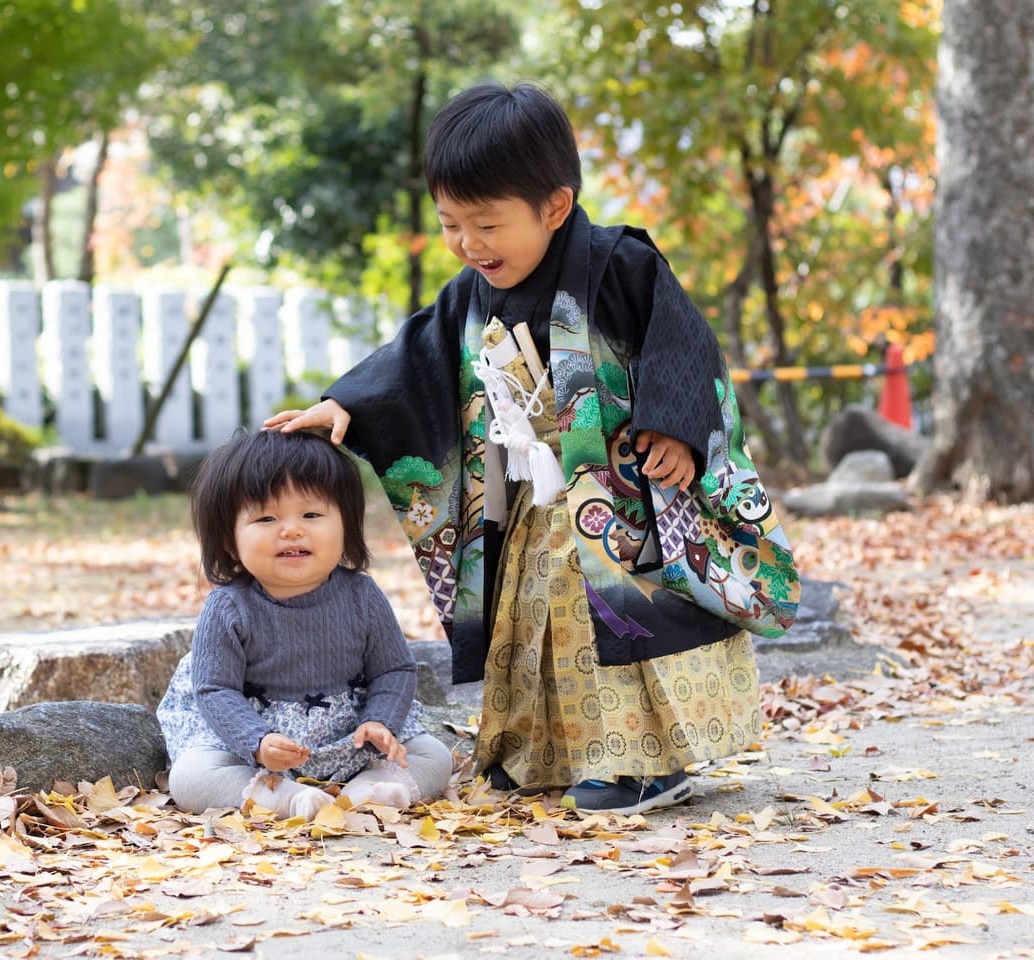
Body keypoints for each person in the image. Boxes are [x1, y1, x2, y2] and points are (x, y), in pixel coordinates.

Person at [266, 80, 800, 816]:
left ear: (555, 206)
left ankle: (643, 762)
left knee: (604, 615)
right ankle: (541, 752)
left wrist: (676, 430)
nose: (468, 244)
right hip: (525, 493)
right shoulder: (468, 293)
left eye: (486, 223)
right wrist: (344, 403)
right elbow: (415, 358)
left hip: (617, 496)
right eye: (452, 223)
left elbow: (686, 345)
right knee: (530, 619)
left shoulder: (621, 265)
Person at [159, 428, 454, 818]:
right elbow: (215, 689)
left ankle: (375, 789)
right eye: (266, 517)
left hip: (349, 730)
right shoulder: (228, 606)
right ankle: (281, 797)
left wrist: (379, 721)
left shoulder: (362, 596)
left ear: (345, 525)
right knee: (190, 777)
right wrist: (256, 741)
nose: (292, 529)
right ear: (230, 540)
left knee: (434, 755)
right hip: (253, 732)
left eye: (312, 514)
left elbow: (394, 669)